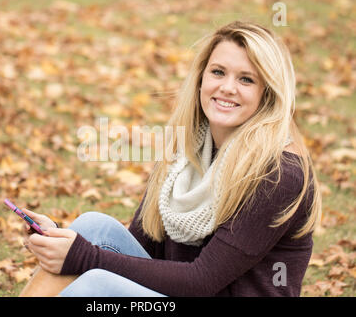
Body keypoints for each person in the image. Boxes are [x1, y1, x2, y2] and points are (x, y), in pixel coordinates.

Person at [18, 21, 322, 297]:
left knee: (97, 282)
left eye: (246, 79)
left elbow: (202, 280)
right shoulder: (186, 151)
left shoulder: (278, 173)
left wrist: (83, 256)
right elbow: (142, 248)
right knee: (93, 226)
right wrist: (61, 242)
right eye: (218, 72)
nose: (227, 87)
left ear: (267, 94)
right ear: (201, 78)